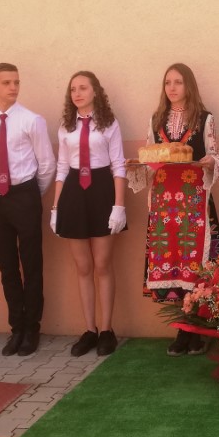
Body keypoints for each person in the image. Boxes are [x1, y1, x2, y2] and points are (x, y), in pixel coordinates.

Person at [128, 63, 219, 356]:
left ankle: (197, 329)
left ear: (189, 85)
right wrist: (138, 167)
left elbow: (215, 155)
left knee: (195, 264)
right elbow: (150, 157)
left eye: (178, 82)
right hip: (164, 204)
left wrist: (211, 162)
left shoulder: (205, 119)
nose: (172, 87)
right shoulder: (155, 120)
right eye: (168, 82)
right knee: (173, 262)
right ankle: (183, 329)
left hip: (194, 201)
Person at [0, 63, 55, 357]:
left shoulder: (32, 120)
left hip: (25, 195)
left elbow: (46, 164)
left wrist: (31, 195)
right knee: (7, 266)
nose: (13, 87)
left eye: (16, 82)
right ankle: (16, 328)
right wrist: (0, 189)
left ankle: (32, 327)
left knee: (31, 264)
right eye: (6, 82)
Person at [51, 71, 127, 357]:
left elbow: (118, 165)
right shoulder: (66, 125)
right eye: (73, 89)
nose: (77, 93)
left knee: (103, 264)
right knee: (82, 267)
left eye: (83, 88)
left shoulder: (109, 123)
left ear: (95, 91)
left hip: (101, 190)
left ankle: (107, 330)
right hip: (73, 192)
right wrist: (56, 208)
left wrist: (119, 206)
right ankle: (89, 330)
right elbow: (61, 167)